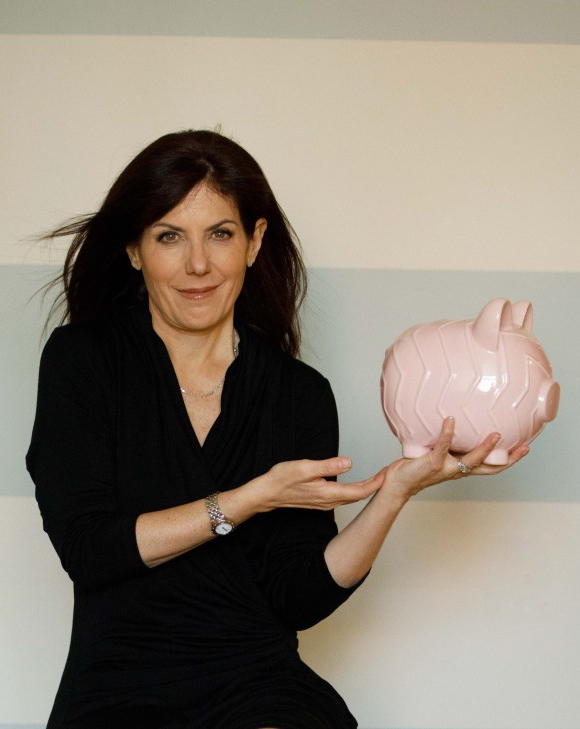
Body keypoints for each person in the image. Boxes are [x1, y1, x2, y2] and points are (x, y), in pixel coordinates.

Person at [26, 129, 527, 729]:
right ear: (134, 250)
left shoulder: (299, 393)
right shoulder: (83, 361)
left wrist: (396, 492)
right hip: (120, 686)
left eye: (220, 233)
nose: (198, 264)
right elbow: (90, 550)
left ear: (254, 240)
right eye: (169, 236)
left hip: (256, 683)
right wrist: (250, 499)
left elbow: (297, 597)